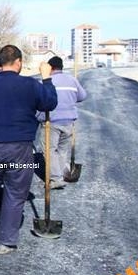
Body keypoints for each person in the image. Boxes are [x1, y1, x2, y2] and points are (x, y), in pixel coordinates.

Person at [0, 45, 58, 254]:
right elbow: (50, 103)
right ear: (18, 62)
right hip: (20, 150)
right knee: (15, 194)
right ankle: (5, 243)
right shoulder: (30, 85)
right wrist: (47, 79)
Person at [35, 56, 87, 187]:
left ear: (50, 68)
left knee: (50, 150)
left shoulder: (46, 81)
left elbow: (39, 102)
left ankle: (56, 179)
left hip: (51, 121)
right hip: (69, 122)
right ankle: (60, 174)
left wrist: (37, 117)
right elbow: (82, 96)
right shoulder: (72, 80)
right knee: (62, 150)